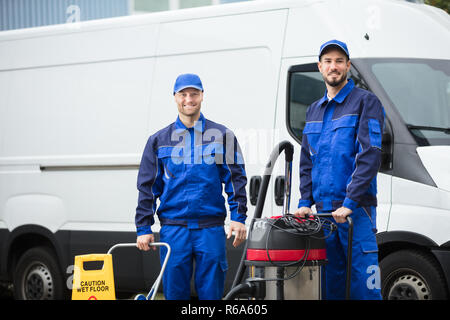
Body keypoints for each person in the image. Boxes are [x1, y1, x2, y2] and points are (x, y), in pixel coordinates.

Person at [135, 73, 248, 300]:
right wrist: (144, 228)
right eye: (183, 94)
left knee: (211, 295)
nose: (189, 99)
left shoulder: (221, 136)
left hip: (210, 229)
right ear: (175, 97)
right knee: (175, 294)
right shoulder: (159, 140)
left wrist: (238, 217)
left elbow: (235, 179)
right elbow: (147, 187)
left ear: (202, 96)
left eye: (194, 94)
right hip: (174, 229)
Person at [294, 40, 384, 300]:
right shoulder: (313, 110)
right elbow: (307, 161)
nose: (334, 67)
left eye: (339, 61)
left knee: (363, 288)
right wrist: (304, 201)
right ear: (320, 67)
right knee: (329, 288)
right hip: (323, 216)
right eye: (328, 61)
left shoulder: (366, 102)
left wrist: (350, 202)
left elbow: (370, 155)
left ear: (348, 66)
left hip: (355, 213)